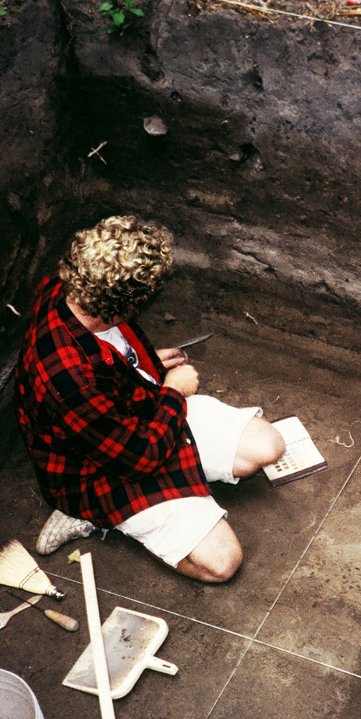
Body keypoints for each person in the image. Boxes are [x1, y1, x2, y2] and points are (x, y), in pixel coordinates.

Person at [15, 214, 285, 582]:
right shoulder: (69, 381)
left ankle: (173, 501)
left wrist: (137, 364)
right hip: (103, 469)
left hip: (135, 411)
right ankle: (90, 515)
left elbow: (98, 357)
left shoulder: (68, 287)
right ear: (119, 307)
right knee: (223, 563)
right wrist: (173, 391)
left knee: (267, 447)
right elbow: (138, 458)